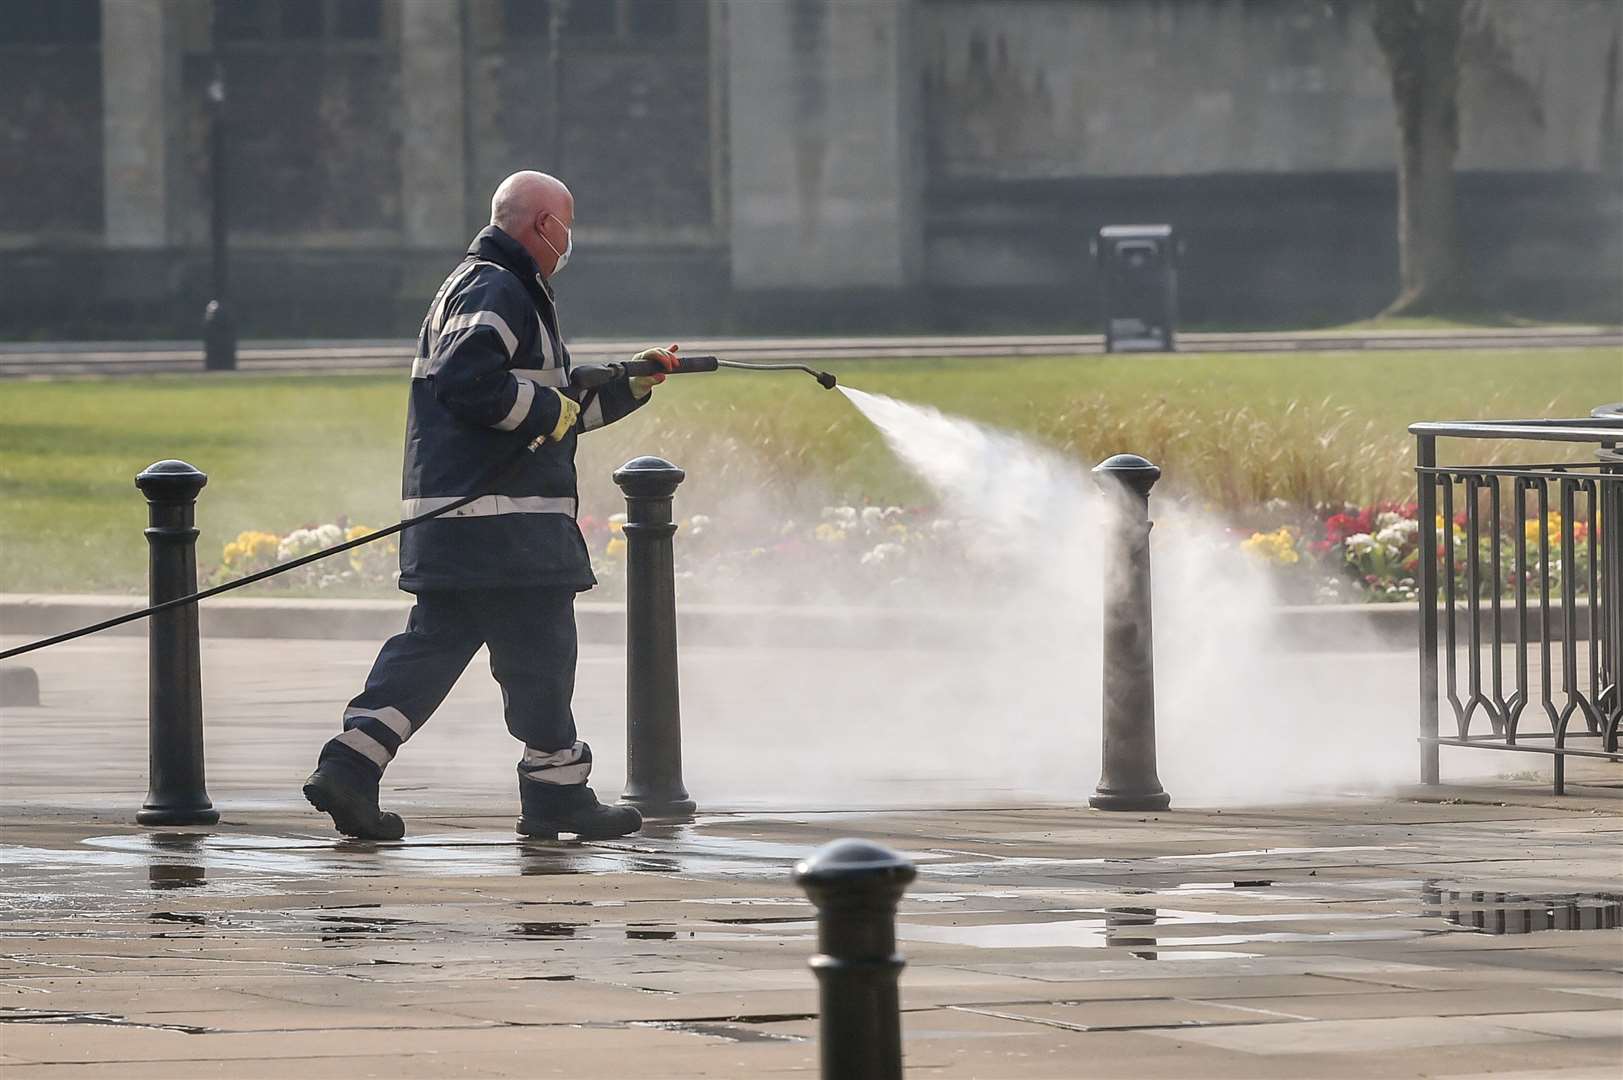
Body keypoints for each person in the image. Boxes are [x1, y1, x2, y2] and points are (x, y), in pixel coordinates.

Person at [303, 171, 676, 842]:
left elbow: (549, 413)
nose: (569, 239)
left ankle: (349, 766)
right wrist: (552, 406)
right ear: (541, 226)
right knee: (541, 652)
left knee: (432, 651)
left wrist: (630, 386)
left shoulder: (493, 286)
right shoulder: (496, 286)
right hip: (503, 523)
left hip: (470, 521)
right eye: (565, 224)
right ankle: (556, 794)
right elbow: (467, 381)